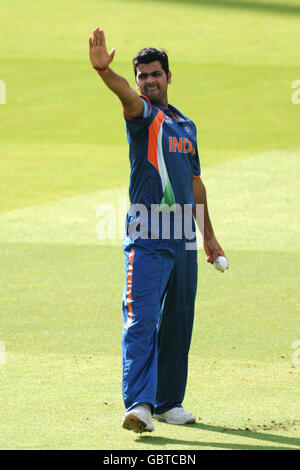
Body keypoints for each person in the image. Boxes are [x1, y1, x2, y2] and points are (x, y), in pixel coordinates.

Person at [89, 27, 228, 433]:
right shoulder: (144, 115)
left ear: (169, 77)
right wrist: (104, 73)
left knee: (179, 319)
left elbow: (195, 182)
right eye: (142, 76)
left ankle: (168, 402)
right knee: (142, 319)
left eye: (156, 74)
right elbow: (126, 98)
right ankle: (140, 405)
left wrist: (209, 236)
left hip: (184, 236)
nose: (149, 81)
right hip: (148, 234)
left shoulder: (185, 125)